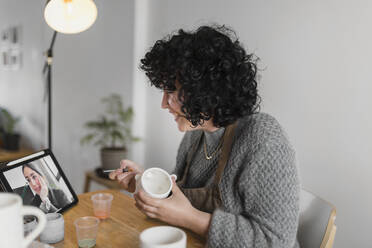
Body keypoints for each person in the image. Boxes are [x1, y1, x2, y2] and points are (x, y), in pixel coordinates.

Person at [110, 25, 300, 247]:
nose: (163, 104)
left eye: (170, 92)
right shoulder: (195, 135)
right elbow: (180, 199)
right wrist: (145, 182)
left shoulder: (264, 141)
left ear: (205, 90)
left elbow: (276, 241)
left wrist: (191, 219)